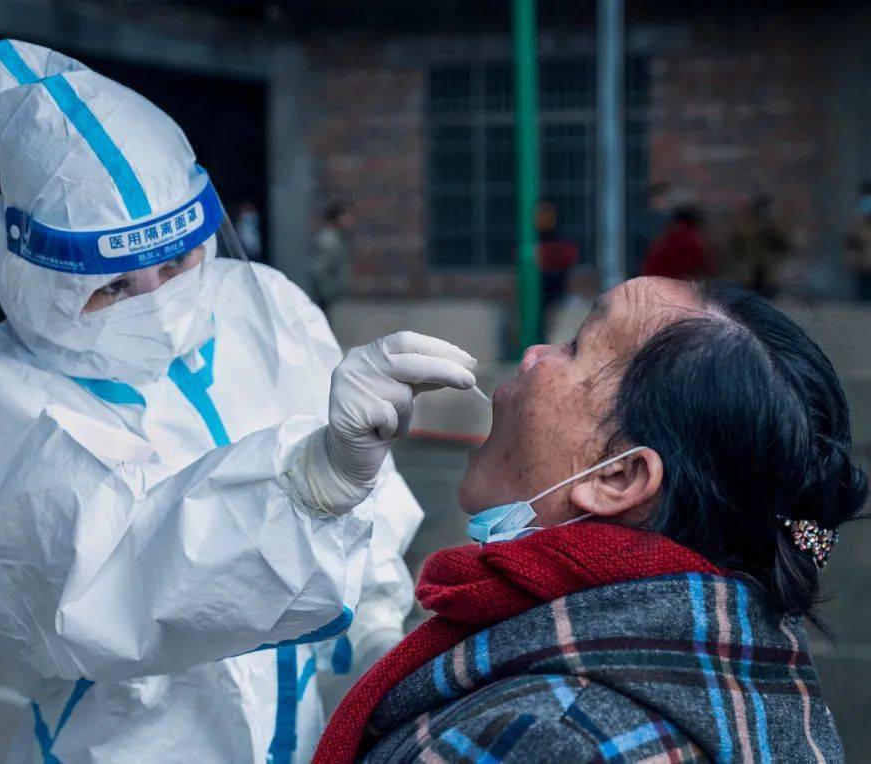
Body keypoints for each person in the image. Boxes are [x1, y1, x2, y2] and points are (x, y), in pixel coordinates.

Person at [0, 39, 478, 763]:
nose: (159, 301)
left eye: (177, 261)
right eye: (116, 286)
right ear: (42, 278)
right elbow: (108, 592)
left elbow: (366, 506)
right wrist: (304, 484)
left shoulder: (263, 307)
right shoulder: (12, 394)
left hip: (304, 734)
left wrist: (377, 625)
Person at [314, 277, 861, 763]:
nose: (532, 355)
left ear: (618, 477)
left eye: (575, 347)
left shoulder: (548, 735)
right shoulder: (741, 661)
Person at [727, 193, 790, 298]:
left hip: (763, 273)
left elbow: (784, 246)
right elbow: (735, 248)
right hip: (753, 272)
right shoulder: (746, 228)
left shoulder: (770, 228)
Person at [534, 200, 580, 337]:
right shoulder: (530, 238)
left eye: (545, 213)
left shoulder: (561, 240)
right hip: (533, 294)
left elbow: (565, 266)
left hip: (555, 293)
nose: (541, 218)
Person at [642, 205, 716, 281]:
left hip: (657, 284)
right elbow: (705, 268)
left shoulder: (663, 240)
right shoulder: (693, 242)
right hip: (679, 286)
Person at [309, 202, 355, 314]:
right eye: (347, 215)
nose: (351, 220)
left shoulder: (334, 238)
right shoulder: (327, 240)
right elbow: (319, 271)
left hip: (330, 299)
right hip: (325, 300)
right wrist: (328, 295)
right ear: (337, 217)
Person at [847, 181, 871, 301]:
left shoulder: (858, 214)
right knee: (863, 286)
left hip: (863, 259)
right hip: (863, 259)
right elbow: (853, 239)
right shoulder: (859, 215)